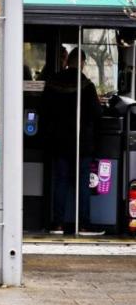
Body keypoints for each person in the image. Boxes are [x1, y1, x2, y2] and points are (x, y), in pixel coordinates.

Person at [41, 48, 103, 235]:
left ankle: (58, 224)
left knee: (60, 182)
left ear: (68, 61)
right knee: (82, 184)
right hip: (81, 143)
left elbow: (43, 109)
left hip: (59, 142)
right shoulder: (87, 86)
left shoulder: (53, 83)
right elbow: (97, 113)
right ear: (82, 62)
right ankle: (84, 224)